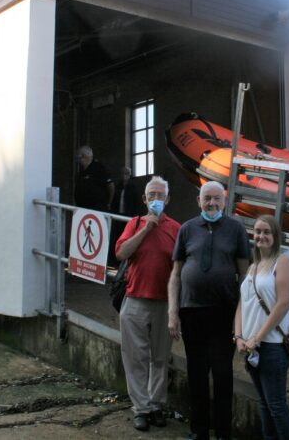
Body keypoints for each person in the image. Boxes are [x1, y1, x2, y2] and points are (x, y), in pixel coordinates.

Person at [168, 181, 250, 440]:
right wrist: (173, 312)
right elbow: (176, 274)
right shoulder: (187, 229)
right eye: (207, 199)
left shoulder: (235, 229)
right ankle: (199, 432)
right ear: (198, 201)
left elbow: (245, 273)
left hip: (223, 312)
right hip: (191, 312)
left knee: (223, 374)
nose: (212, 203)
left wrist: (243, 315)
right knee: (197, 374)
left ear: (224, 201)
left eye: (216, 199)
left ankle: (223, 433)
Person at [115, 176, 181, 432]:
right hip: (135, 300)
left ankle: (156, 405)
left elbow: (180, 266)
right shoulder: (135, 224)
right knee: (135, 358)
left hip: (164, 303)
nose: (155, 200)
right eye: (151, 195)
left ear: (167, 199)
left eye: (160, 195)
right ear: (144, 200)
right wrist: (146, 229)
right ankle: (140, 409)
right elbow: (121, 253)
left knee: (160, 358)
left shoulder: (176, 228)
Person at [234, 215, 289, 440]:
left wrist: (257, 338)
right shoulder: (253, 267)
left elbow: (283, 304)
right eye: (258, 231)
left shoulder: (283, 262)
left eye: (266, 232)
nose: (261, 236)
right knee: (264, 404)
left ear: (275, 236)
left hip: (271, 347)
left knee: (277, 406)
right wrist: (239, 336)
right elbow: (242, 303)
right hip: (251, 347)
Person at [109, 166, 141, 268]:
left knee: (128, 238)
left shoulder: (133, 187)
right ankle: (116, 261)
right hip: (118, 216)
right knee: (117, 238)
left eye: (126, 173)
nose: (124, 176)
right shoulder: (118, 187)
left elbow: (137, 203)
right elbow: (114, 201)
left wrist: (136, 217)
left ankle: (128, 262)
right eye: (123, 173)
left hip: (129, 217)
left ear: (129, 175)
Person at [74, 145, 114, 211]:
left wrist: (109, 203)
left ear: (86, 156)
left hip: (97, 208)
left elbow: (111, 186)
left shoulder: (100, 168)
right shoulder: (81, 171)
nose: (78, 160)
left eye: (80, 156)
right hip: (82, 208)